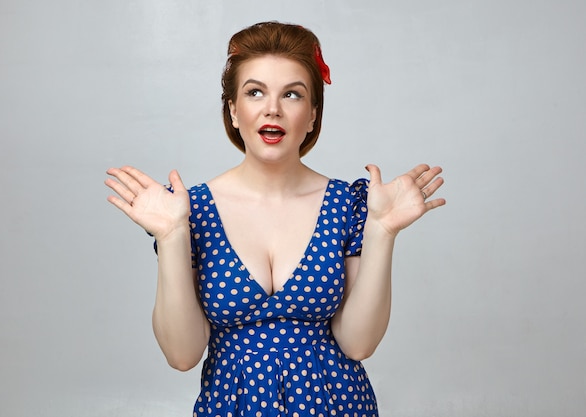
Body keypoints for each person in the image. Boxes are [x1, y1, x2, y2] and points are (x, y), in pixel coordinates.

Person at [105, 21, 445, 417]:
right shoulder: (190, 211)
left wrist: (382, 230)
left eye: (292, 94)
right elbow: (182, 355)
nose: (273, 109)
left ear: (313, 114)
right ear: (233, 110)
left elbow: (358, 344)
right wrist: (171, 235)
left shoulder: (348, 205)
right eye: (255, 92)